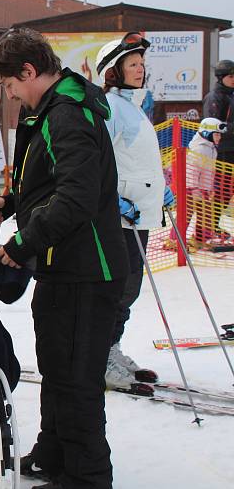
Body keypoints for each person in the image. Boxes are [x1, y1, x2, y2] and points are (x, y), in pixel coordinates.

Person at [0, 28, 128, 489]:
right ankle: (54, 452)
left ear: (28, 72)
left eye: (10, 86)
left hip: (88, 269)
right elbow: (49, 181)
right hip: (61, 265)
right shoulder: (47, 112)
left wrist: (22, 243)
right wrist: (13, 201)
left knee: (78, 377)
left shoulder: (67, 115)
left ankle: (87, 475)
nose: (10, 96)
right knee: (56, 367)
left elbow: (77, 198)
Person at [95, 32, 172, 391]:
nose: (140, 70)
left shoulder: (135, 106)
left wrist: (161, 191)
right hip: (121, 217)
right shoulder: (110, 107)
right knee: (119, 288)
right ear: (114, 70)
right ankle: (100, 356)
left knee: (130, 288)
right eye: (132, 64)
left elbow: (140, 161)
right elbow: (100, 161)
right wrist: (116, 200)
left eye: (142, 64)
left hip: (139, 213)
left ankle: (111, 346)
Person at [180, 118, 226, 251]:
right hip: (192, 188)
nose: (219, 137)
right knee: (186, 214)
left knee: (205, 215)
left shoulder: (212, 149)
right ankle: (175, 239)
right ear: (207, 133)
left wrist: (210, 188)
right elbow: (192, 171)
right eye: (216, 134)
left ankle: (201, 239)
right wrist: (194, 189)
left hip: (204, 188)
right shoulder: (199, 149)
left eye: (219, 134)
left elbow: (210, 171)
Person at [203, 59, 234, 237]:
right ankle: (211, 226)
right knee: (222, 190)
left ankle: (213, 225)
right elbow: (210, 125)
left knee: (228, 190)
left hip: (231, 148)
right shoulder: (214, 97)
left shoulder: (231, 94)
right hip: (222, 150)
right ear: (221, 77)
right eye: (231, 76)